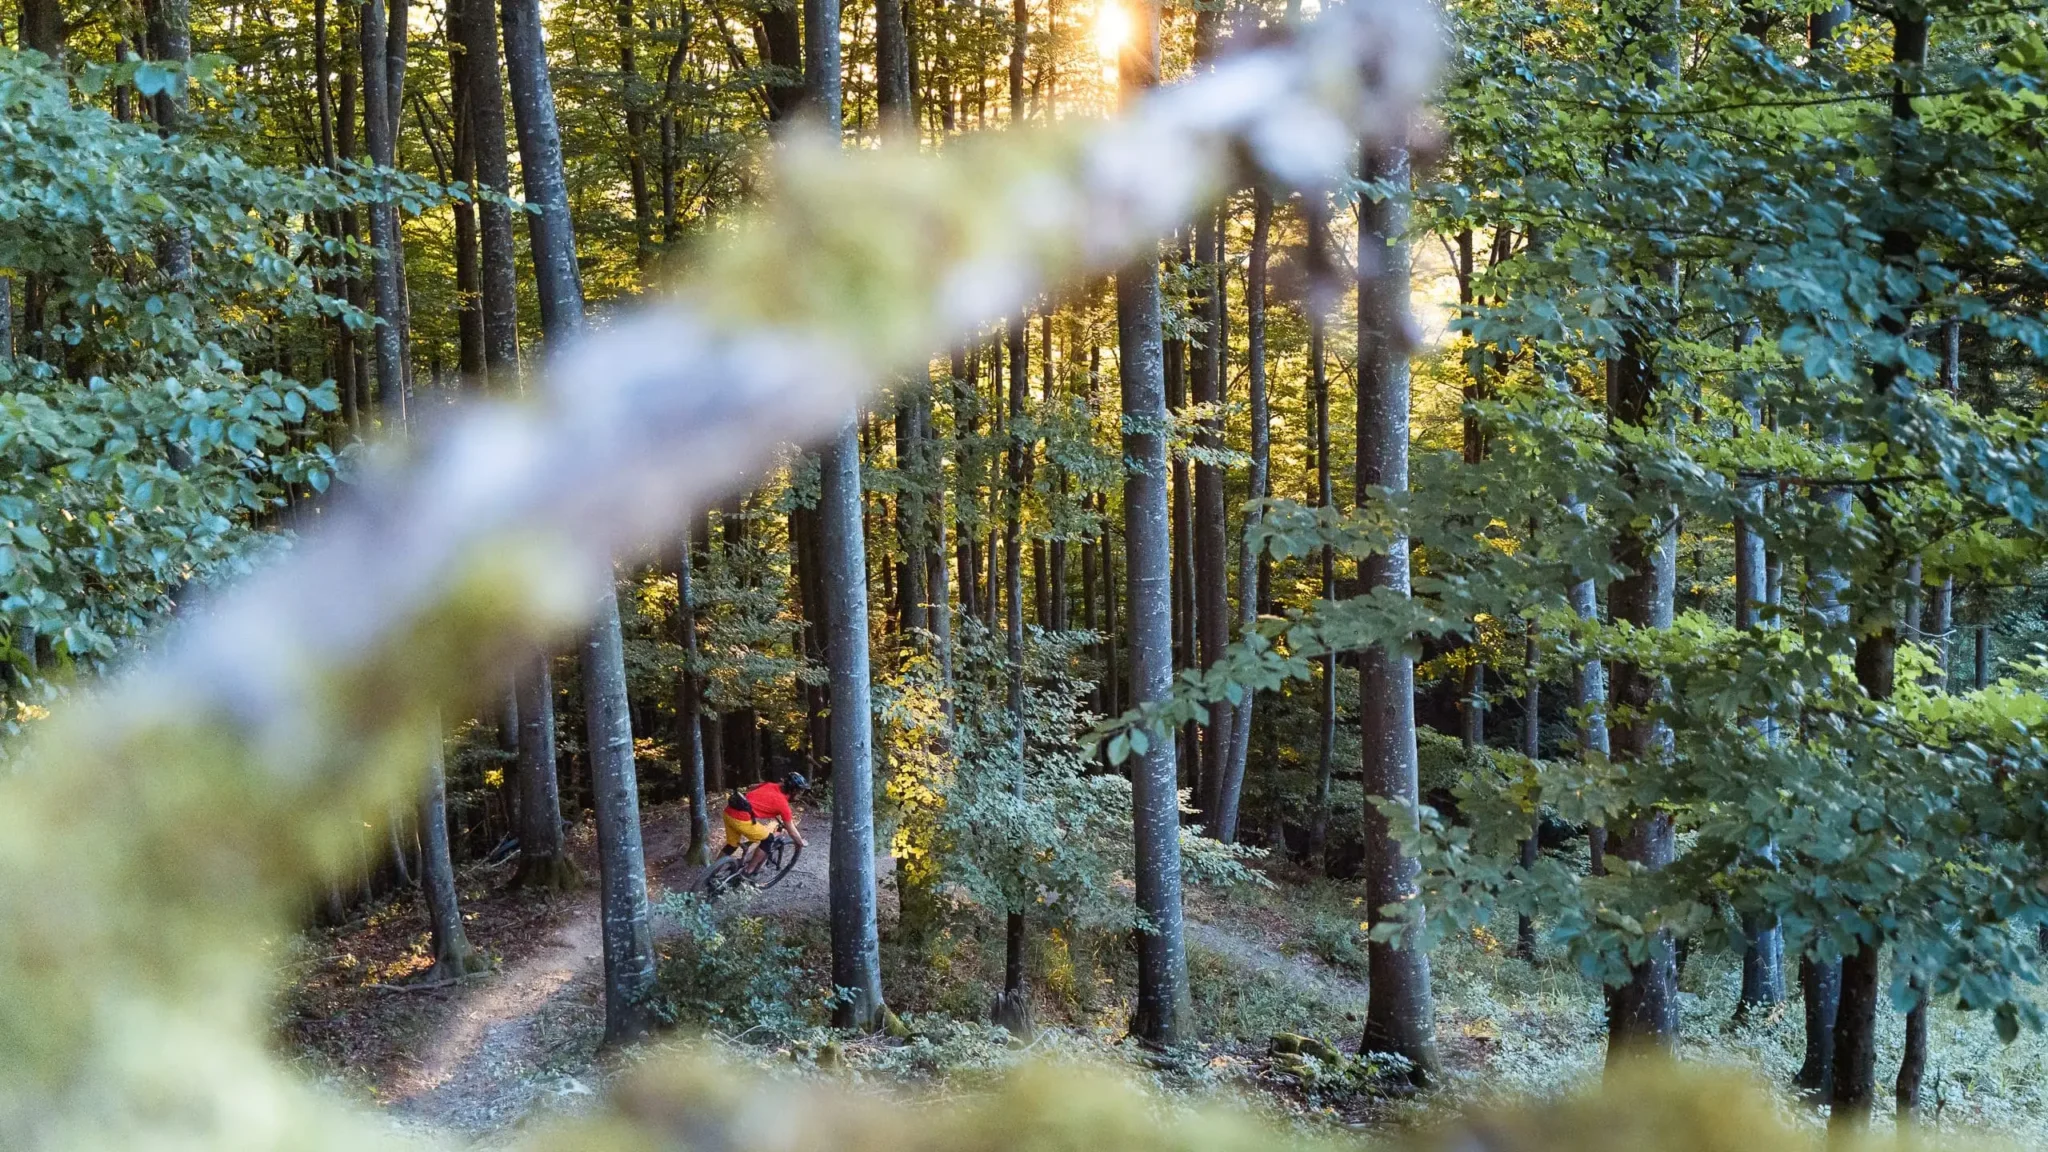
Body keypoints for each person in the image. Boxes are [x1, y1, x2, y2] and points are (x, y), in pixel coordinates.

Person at [722, 772, 809, 875]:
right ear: (793, 790)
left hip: (728, 812)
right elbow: (791, 830)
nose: (799, 795)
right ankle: (749, 871)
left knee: (732, 845)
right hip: (741, 819)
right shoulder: (783, 805)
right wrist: (800, 842)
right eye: (799, 791)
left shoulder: (770, 785)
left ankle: (712, 871)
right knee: (768, 839)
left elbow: (751, 787)